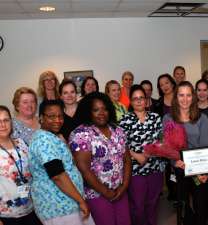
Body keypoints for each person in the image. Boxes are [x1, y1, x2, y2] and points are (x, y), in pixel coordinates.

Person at [69, 92, 131, 225]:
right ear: (88, 112)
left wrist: (124, 186)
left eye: (105, 109)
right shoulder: (81, 134)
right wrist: (106, 192)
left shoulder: (118, 130)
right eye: (96, 109)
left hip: (120, 191)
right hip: (97, 194)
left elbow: (127, 160)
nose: (101, 113)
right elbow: (84, 169)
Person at [28, 100, 94, 225]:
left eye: (60, 116)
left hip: (66, 205)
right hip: (58, 208)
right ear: (41, 118)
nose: (57, 120)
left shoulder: (52, 137)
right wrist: (81, 201)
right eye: (51, 116)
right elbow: (57, 174)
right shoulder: (44, 140)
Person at [163, 81, 208, 225]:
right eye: (181, 95)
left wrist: (203, 170)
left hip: (198, 170)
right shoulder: (168, 119)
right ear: (176, 97)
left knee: (200, 204)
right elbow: (167, 146)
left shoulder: (202, 118)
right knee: (184, 207)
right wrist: (174, 161)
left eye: (188, 95)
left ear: (193, 97)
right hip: (180, 168)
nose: (185, 99)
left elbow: (204, 146)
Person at [119, 85, 164, 225]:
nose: (139, 101)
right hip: (135, 170)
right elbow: (120, 145)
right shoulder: (125, 120)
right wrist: (136, 155)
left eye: (141, 98)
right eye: (135, 99)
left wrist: (149, 152)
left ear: (146, 100)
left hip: (155, 168)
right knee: (137, 206)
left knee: (153, 203)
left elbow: (162, 140)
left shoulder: (155, 117)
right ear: (131, 102)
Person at [0, 105, 42, 225]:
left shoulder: (21, 143)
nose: (2, 125)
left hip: (32, 209)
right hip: (7, 215)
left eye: (6, 120)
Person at [153, 74, 177, 201]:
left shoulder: (181, 99)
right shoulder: (157, 104)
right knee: (169, 171)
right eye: (161, 85)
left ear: (172, 83)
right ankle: (174, 197)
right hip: (166, 144)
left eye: (166, 83)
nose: (164, 86)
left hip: (183, 142)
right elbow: (157, 127)